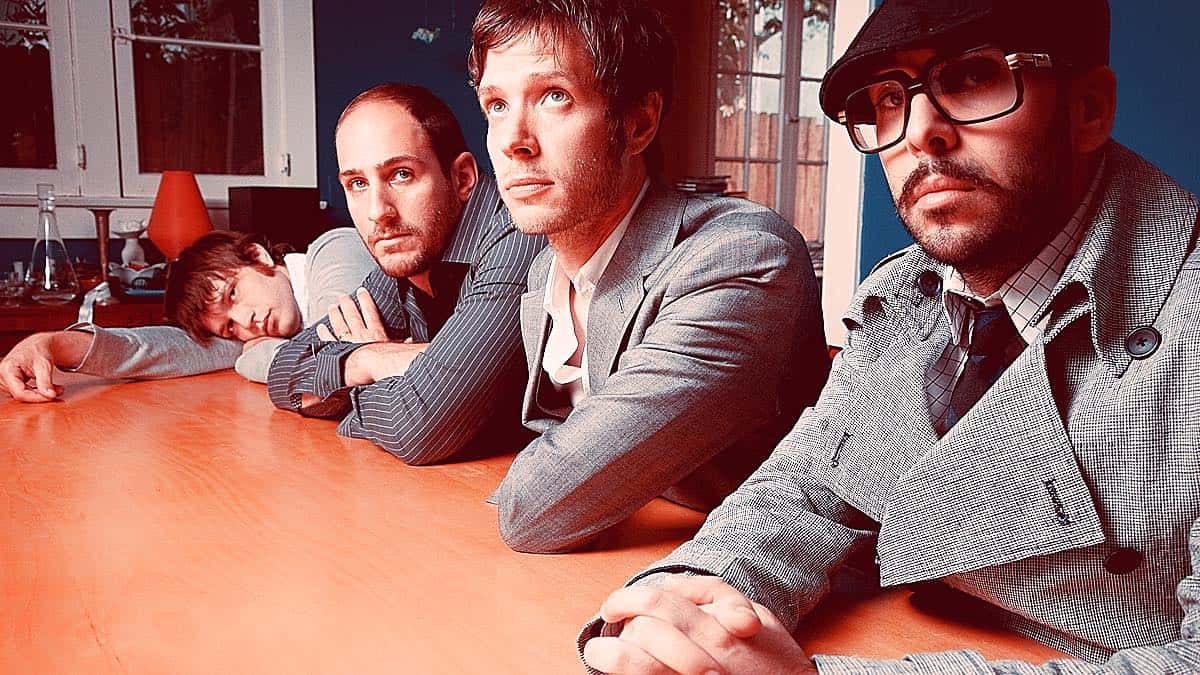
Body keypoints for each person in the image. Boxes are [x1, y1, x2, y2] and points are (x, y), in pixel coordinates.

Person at [581, 0, 1200, 672]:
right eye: (885, 100)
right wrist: (688, 602)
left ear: (1088, 109)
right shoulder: (900, 293)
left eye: (970, 78)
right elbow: (809, 484)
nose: (919, 133)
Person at [469, 0, 830, 554]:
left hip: (750, 571)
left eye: (553, 97)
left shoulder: (742, 258)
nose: (514, 139)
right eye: (496, 104)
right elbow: (551, 439)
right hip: (626, 551)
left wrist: (577, 467)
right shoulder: (546, 268)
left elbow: (539, 506)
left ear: (637, 123)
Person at [266, 83, 545, 466]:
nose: (379, 212)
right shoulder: (405, 255)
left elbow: (419, 428)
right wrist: (369, 359)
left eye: (401, 174)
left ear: (463, 178)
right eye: (358, 184)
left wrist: (349, 393)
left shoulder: (516, 233)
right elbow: (283, 374)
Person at [0, 226, 376, 401]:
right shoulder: (258, 334)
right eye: (228, 328)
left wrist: (256, 360)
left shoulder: (334, 250)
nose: (245, 322)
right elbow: (161, 349)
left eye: (233, 294)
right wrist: (53, 344)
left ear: (259, 258)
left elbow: (338, 349)